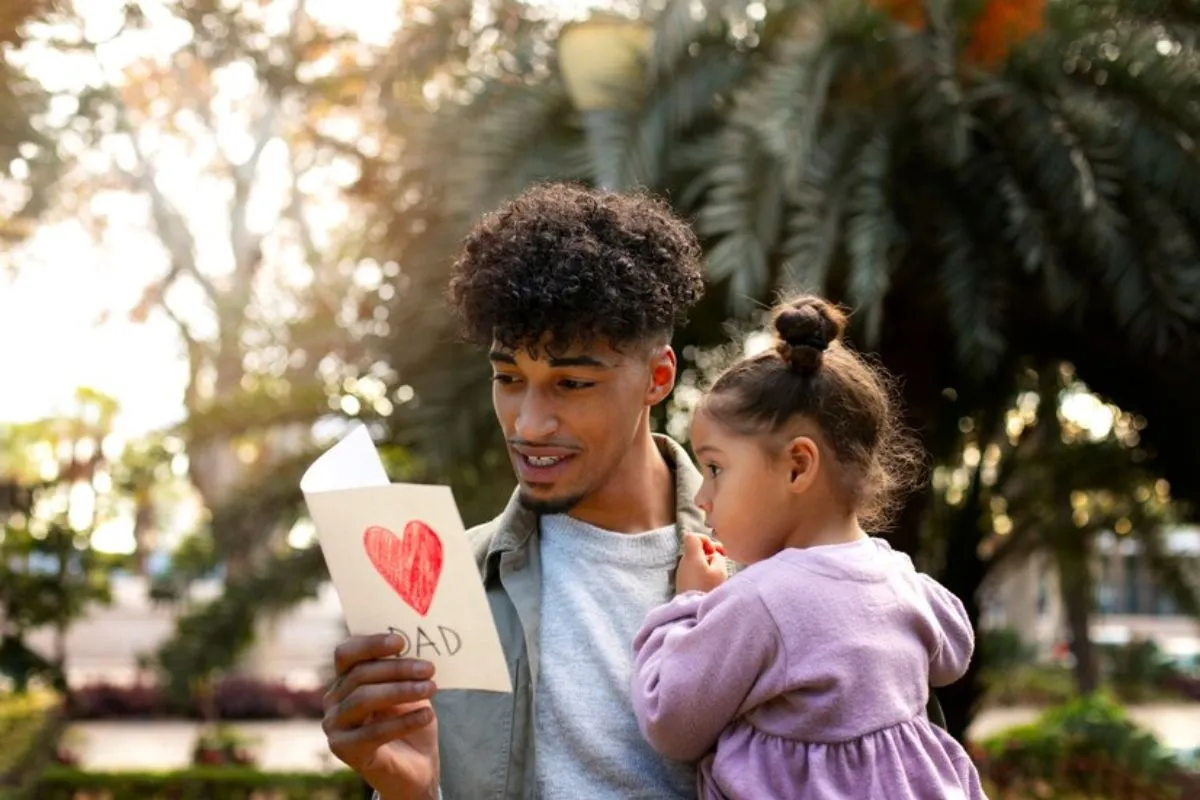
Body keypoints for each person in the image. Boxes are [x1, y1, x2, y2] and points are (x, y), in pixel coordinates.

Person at [320, 183, 948, 800]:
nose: (528, 423)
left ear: (658, 377)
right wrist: (408, 793)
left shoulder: (804, 575)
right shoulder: (442, 588)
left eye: (571, 384)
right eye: (509, 377)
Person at [629, 295, 985, 799]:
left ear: (798, 465)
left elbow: (671, 722)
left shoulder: (758, 601)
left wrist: (689, 605)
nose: (703, 497)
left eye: (715, 469)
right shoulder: (899, 577)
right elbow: (954, 652)